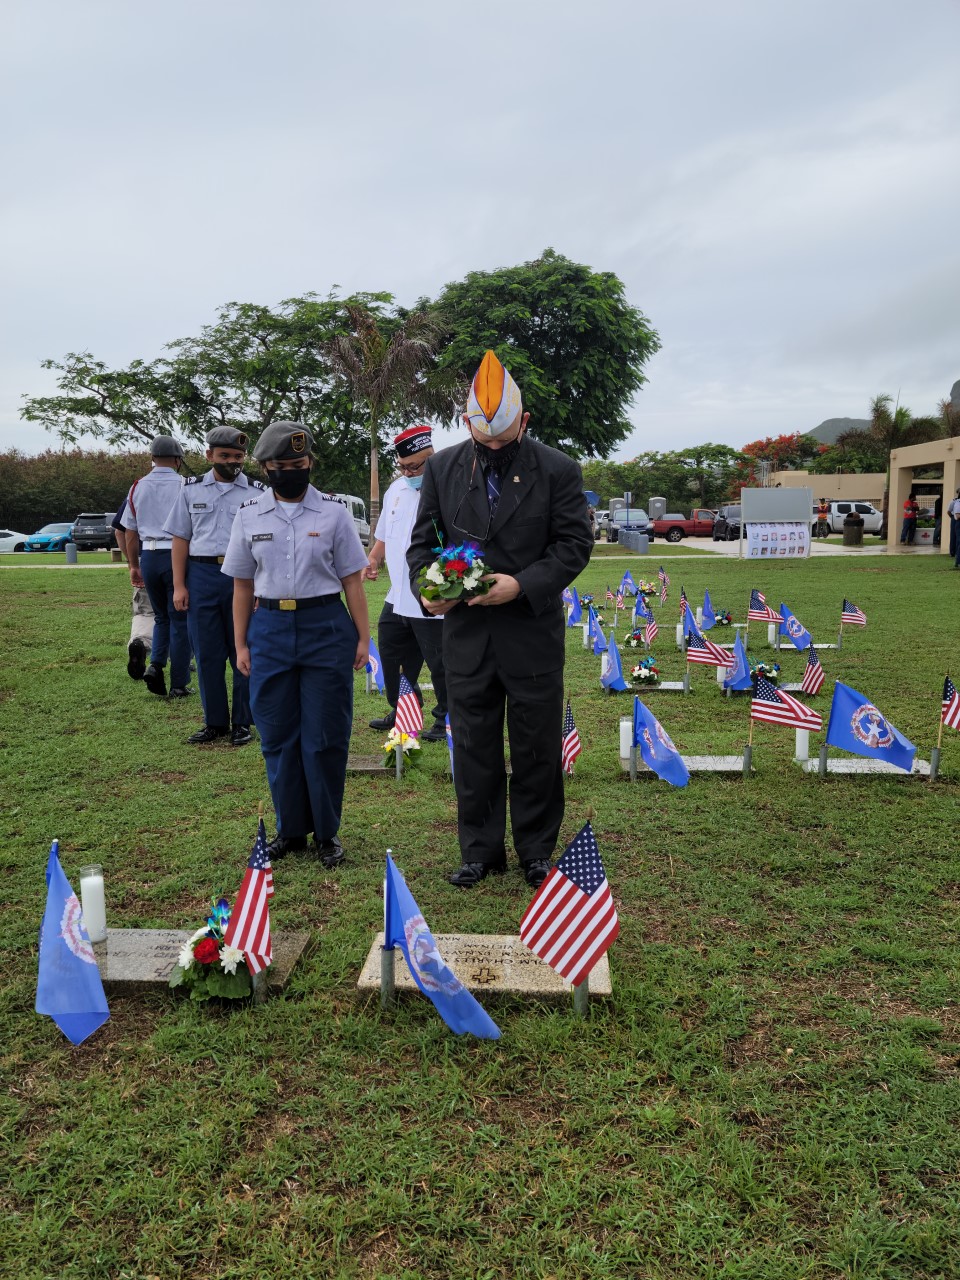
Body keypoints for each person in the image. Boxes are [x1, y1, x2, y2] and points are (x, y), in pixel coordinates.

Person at [407, 350, 593, 889]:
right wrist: (430, 591)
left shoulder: (557, 469)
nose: (492, 448)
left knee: (536, 746)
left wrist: (522, 584)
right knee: (473, 745)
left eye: (503, 439)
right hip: (467, 637)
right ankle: (480, 850)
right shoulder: (441, 468)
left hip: (530, 632)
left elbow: (573, 545)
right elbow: (425, 544)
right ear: (466, 423)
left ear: (524, 421)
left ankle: (537, 850)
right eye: (483, 439)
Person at [222, 421, 370, 866]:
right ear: (267, 467)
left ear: (310, 463)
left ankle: (327, 832)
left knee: (325, 735)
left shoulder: (334, 513)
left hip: (325, 626)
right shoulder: (248, 513)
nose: (292, 471)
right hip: (267, 628)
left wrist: (363, 637)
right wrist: (242, 645)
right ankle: (291, 829)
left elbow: (352, 581)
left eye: (300, 464)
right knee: (278, 735)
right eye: (282, 465)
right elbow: (242, 586)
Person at [166, 426, 262, 747]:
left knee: (242, 651)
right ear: (209, 456)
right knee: (206, 652)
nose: (232, 462)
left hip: (243, 578)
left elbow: (264, 545)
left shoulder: (257, 493)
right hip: (202, 575)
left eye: (237, 457)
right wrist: (179, 585)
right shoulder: (190, 490)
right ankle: (215, 722)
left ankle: (242, 723)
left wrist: (260, 588)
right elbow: (181, 538)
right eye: (224, 456)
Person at [362, 425, 447, 742]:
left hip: (432, 593)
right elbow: (384, 534)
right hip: (397, 594)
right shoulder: (395, 490)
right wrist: (373, 559)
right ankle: (402, 710)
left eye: (416, 466)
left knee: (441, 661)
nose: (409, 472)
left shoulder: (447, 489)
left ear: (432, 457)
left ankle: (446, 718)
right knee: (392, 653)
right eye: (403, 466)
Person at [122, 437, 192, 698]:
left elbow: (130, 530)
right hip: (176, 553)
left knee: (161, 616)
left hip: (148, 555)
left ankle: (155, 665)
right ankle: (179, 682)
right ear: (177, 460)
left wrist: (133, 564)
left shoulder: (137, 486)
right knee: (181, 619)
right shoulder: (185, 485)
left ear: (152, 458)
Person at [112, 500, 155, 681]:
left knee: (145, 611)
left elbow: (120, 531)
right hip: (175, 560)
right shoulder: (183, 487)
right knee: (178, 612)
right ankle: (181, 658)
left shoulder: (137, 491)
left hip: (145, 560)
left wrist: (132, 563)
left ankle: (140, 642)